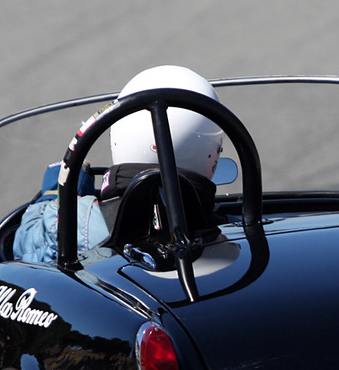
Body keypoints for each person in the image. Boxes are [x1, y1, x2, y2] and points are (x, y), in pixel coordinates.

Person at [13, 66, 225, 264]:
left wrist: (52, 195)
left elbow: (23, 246)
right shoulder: (228, 232)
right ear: (211, 150)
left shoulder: (76, 221)